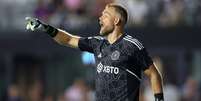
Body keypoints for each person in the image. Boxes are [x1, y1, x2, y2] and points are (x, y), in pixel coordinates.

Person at [25, 3, 164, 101]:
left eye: (105, 15)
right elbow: (68, 40)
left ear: (116, 20)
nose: (100, 18)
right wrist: (45, 28)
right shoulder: (97, 43)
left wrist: (159, 99)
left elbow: (154, 74)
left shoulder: (132, 45)